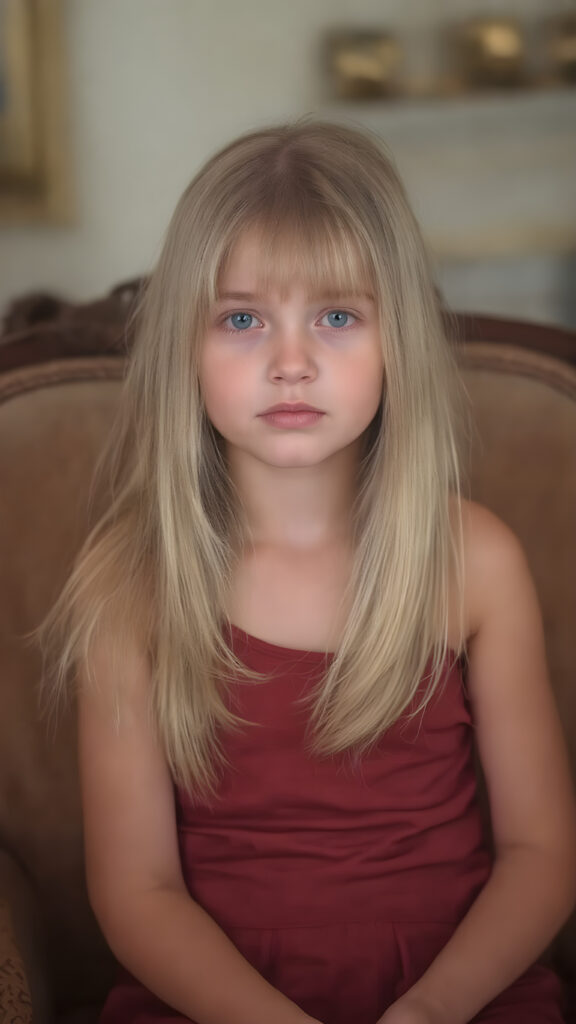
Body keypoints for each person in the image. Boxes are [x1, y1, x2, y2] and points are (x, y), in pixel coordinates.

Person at [41, 121, 576, 1024]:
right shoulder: (129, 581)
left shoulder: (473, 561)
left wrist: (432, 1010)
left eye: (337, 316)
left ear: (395, 339)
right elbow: (137, 892)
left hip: (462, 999)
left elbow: (540, 853)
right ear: (185, 347)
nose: (292, 362)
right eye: (243, 318)